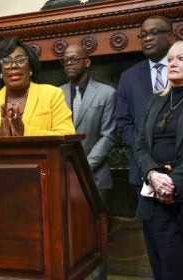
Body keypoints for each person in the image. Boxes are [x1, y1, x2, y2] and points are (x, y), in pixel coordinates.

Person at [115, 15, 173, 278]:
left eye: (154, 32)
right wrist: (145, 155)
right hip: (144, 173)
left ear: (170, 36)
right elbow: (123, 123)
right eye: (143, 35)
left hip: (179, 169)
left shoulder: (180, 68)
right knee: (153, 242)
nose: (147, 38)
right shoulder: (129, 77)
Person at [60, 44, 116, 280]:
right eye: (65, 61)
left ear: (87, 62)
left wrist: (83, 166)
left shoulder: (106, 93)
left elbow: (108, 135)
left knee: (96, 238)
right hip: (62, 177)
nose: (69, 64)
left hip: (95, 177)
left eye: (74, 59)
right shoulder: (55, 93)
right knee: (68, 237)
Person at [134, 40, 183, 280]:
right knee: (159, 265)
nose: (173, 63)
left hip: (178, 196)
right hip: (153, 196)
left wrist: (172, 183)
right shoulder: (155, 101)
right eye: (171, 59)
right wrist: (153, 175)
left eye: (181, 59)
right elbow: (141, 145)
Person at [0, 37, 75, 137]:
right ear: (0, 71)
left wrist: (24, 131)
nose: (13, 65)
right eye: (6, 61)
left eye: (20, 60)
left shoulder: (52, 94)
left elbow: (67, 135)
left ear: (30, 68)